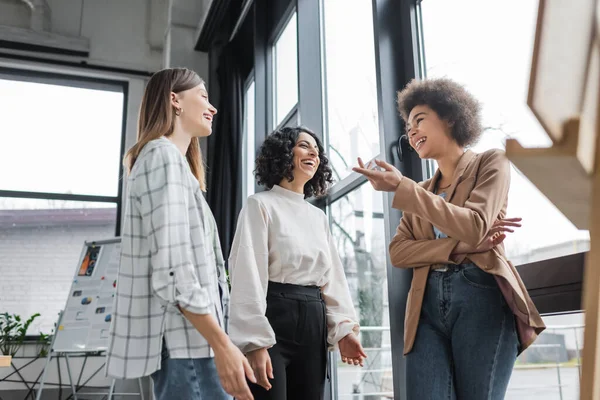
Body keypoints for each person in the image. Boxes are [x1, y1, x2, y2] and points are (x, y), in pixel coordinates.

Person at [353, 78, 546, 400]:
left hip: (480, 296)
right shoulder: (422, 191)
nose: (411, 132)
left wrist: (405, 188)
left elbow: (473, 225)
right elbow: (399, 253)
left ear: (451, 117)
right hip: (425, 304)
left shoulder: (490, 162)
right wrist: (461, 247)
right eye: (408, 126)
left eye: (420, 120)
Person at [106, 67, 256, 400]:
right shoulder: (162, 157)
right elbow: (174, 273)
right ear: (175, 100)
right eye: (203, 95)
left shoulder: (170, 163)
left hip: (191, 344)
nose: (213, 107)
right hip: (189, 346)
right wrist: (222, 345)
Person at [228, 126, 367, 400]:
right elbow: (247, 274)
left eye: (316, 149)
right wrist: (254, 343)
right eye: (304, 145)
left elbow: (333, 280)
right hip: (273, 316)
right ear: (283, 153)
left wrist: (344, 331)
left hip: (313, 321)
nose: (313, 152)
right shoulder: (260, 205)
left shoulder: (318, 218)